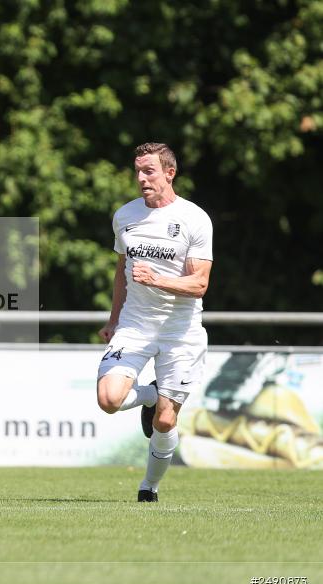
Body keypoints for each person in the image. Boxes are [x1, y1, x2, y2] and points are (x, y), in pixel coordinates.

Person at [96, 142, 213, 503]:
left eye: (149, 171)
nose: (142, 178)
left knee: (164, 421)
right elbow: (122, 272)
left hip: (180, 331)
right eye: (138, 171)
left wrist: (157, 279)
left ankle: (149, 488)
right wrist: (114, 318)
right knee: (108, 399)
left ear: (169, 173)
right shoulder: (125, 216)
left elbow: (200, 284)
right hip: (135, 323)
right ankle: (149, 394)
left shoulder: (194, 218)